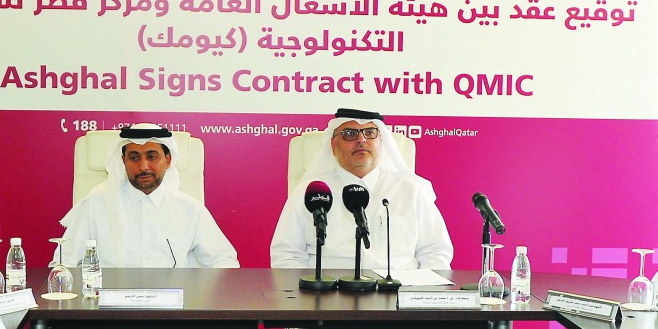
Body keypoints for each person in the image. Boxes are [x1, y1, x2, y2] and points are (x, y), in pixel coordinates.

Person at [270, 108, 453, 270]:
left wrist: (417, 295)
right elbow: (286, 254)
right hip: (329, 300)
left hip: (396, 297)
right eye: (349, 134)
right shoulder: (311, 192)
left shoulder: (410, 192)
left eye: (370, 133)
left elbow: (435, 252)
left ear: (382, 143)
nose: (361, 140)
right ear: (333, 146)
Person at [58, 124, 239, 268]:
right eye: (134, 158)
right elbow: (63, 262)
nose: (143, 166)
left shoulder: (190, 209)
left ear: (167, 161)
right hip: (108, 309)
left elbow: (225, 260)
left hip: (173, 309)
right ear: (123, 161)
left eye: (152, 157)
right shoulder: (95, 205)